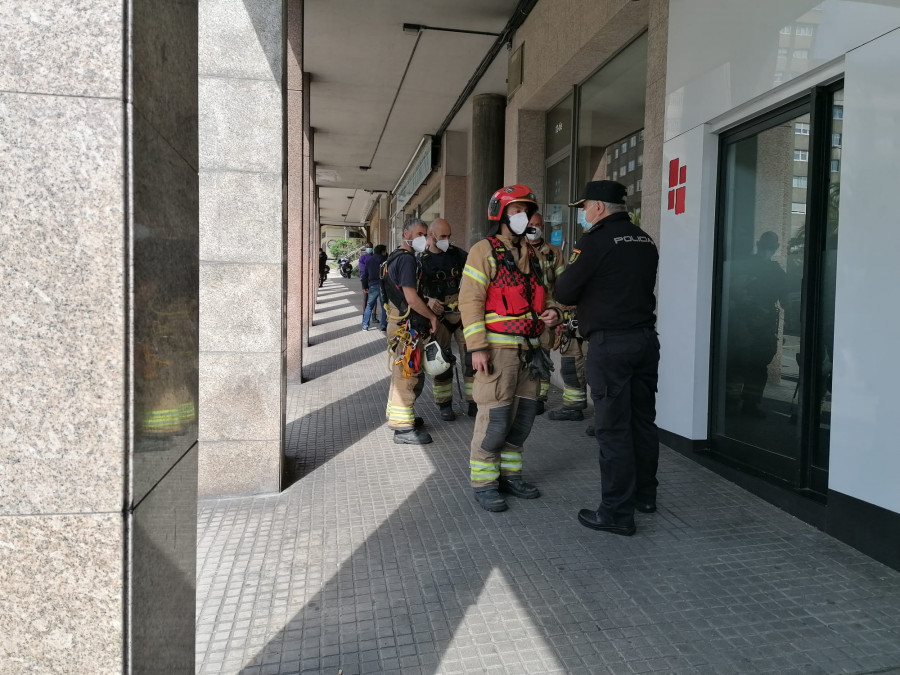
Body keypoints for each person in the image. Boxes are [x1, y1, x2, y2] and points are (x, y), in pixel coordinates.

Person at [555, 180, 659, 536]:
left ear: (599, 207)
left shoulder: (596, 241)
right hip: (645, 341)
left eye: (585, 207)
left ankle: (616, 512)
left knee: (612, 428)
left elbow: (565, 290)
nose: (584, 214)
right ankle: (646, 495)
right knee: (642, 421)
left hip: (611, 345)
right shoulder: (644, 240)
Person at [459, 184, 562, 512]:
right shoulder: (483, 250)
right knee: (496, 417)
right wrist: (476, 347)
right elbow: (470, 300)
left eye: (526, 211)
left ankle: (510, 475)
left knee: (524, 418)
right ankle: (485, 482)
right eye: (517, 211)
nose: (523, 217)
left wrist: (554, 313)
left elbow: (547, 292)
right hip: (498, 350)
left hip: (531, 351)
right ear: (501, 214)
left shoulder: (534, 253)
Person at [382, 218, 440, 444]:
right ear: (405, 233)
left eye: (425, 234)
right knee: (407, 373)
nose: (422, 238)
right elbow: (411, 298)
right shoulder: (406, 260)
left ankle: (400, 416)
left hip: (398, 323)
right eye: (418, 233)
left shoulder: (393, 258)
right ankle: (402, 428)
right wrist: (432, 316)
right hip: (407, 326)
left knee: (403, 371)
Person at [527, 212, 587, 421]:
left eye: (538, 225)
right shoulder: (517, 251)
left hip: (549, 312)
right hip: (523, 314)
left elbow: (563, 283)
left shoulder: (553, 253)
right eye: (531, 224)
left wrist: (561, 311)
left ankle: (539, 399)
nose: (535, 228)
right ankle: (527, 395)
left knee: (543, 354)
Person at [725, 230, 789, 418]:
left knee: (749, 364)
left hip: (748, 321)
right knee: (751, 364)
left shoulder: (749, 266)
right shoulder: (773, 271)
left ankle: (739, 402)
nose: (767, 250)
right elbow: (785, 299)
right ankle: (744, 403)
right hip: (749, 321)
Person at [420, 218, 475, 421]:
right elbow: (412, 290)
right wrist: (427, 299)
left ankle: (473, 401)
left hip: (461, 314)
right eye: (443, 236)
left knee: (470, 359)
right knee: (441, 362)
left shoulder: (459, 255)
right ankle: (444, 405)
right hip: (438, 318)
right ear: (432, 236)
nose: (447, 240)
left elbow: (475, 277)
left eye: (449, 236)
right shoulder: (421, 260)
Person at [362, 245, 388, 331]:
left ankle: (365, 325)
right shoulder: (385, 261)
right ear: (382, 251)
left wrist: (364, 286)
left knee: (369, 306)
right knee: (384, 306)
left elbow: (365, 274)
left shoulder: (369, 260)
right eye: (385, 251)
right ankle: (383, 325)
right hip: (383, 286)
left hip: (372, 285)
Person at [358, 243, 375, 315]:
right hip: (365, 279)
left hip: (374, 279)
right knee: (365, 296)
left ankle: (374, 315)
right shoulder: (362, 257)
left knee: (374, 297)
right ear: (365, 248)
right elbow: (362, 269)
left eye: (370, 247)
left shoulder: (375, 257)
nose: (369, 248)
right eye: (367, 247)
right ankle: (364, 313)